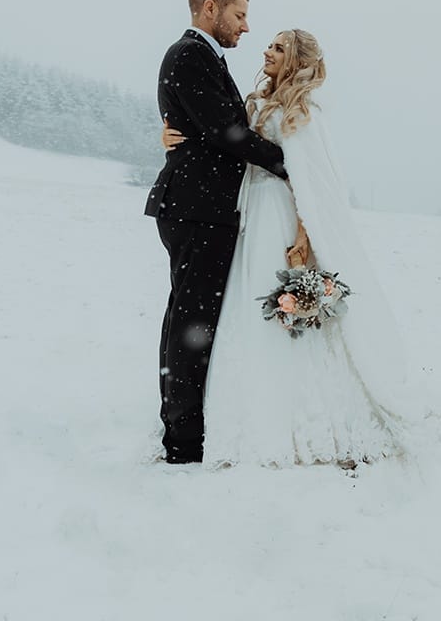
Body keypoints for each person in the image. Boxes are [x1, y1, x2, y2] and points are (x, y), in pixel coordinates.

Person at [162, 28, 407, 468]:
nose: (267, 51)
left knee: (272, 306)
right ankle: (240, 408)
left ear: (297, 59)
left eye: (278, 48)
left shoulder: (302, 111)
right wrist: (170, 135)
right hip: (246, 214)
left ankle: (296, 413)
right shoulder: (256, 103)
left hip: (278, 215)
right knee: (241, 306)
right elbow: (222, 134)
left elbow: (310, 182)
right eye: (270, 45)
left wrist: (303, 237)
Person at [145, 0, 289, 465]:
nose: (246, 27)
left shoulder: (201, 58)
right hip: (197, 210)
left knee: (191, 318)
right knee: (192, 323)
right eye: (239, 15)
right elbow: (226, 132)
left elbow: (205, 125)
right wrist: (289, 163)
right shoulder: (189, 55)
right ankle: (183, 442)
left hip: (202, 207)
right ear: (211, 8)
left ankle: (184, 426)